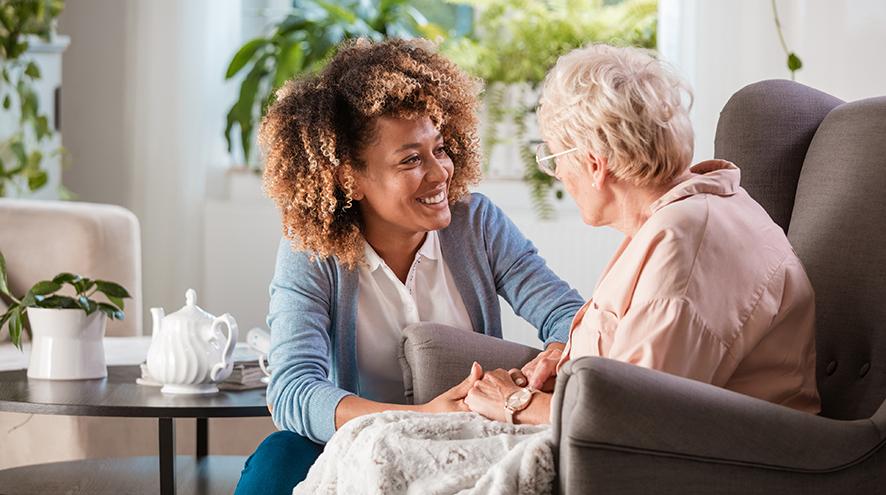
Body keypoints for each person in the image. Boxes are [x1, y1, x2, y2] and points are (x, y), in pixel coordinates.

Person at [233, 38, 586, 495]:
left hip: (468, 438)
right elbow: (294, 391)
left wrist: (558, 352)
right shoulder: (312, 252)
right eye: (411, 160)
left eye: (440, 148)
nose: (441, 173)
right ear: (349, 178)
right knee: (278, 459)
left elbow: (567, 313)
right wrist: (420, 418)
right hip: (358, 442)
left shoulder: (476, 223)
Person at [463, 43, 821, 425]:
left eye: (553, 159)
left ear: (594, 164)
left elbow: (634, 418)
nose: (560, 175)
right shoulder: (687, 214)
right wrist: (567, 362)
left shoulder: (685, 243)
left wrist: (515, 403)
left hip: (722, 464)